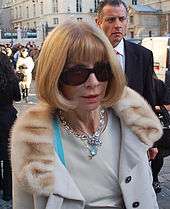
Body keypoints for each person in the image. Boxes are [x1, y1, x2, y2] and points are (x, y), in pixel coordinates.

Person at [11, 21, 162, 209]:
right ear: (55, 76)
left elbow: (146, 194)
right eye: (77, 72)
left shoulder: (131, 122)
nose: (93, 82)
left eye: (102, 70)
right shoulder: (31, 141)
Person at [95, 0, 155, 108]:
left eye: (122, 19)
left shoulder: (144, 56)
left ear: (127, 22)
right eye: (111, 20)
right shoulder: (87, 55)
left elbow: (148, 101)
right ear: (98, 23)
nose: (117, 25)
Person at [0, 52, 21, 201]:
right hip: (8, 118)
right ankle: (8, 192)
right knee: (8, 157)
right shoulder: (12, 78)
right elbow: (18, 97)